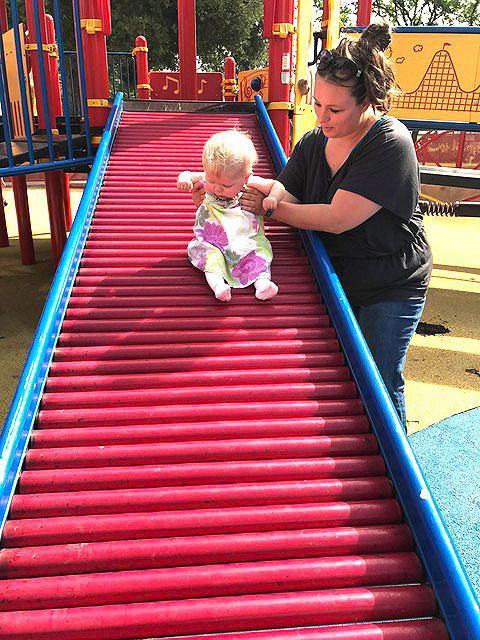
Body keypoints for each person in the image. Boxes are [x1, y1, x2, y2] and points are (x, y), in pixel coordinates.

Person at [194, 23, 432, 430]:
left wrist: (273, 210)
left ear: (367, 101)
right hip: (337, 272)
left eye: (335, 109)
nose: (322, 116)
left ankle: (398, 470)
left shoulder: (389, 143)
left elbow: (337, 218)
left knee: (379, 376)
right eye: (317, 103)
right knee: (342, 378)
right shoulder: (314, 140)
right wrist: (227, 190)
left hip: (390, 280)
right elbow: (283, 190)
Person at [177, 129, 285, 302]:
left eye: (226, 185)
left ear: (245, 177)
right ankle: (218, 286)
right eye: (212, 181)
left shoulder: (251, 182)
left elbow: (278, 186)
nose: (217, 188)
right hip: (212, 242)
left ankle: (263, 283)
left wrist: (273, 197)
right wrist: (185, 179)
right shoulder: (210, 174)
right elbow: (187, 174)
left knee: (258, 253)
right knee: (210, 258)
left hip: (245, 240)